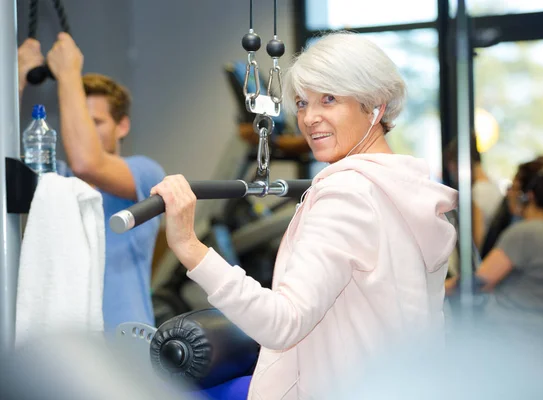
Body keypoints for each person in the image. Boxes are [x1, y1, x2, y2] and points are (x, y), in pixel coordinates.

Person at [150, 32, 458, 399]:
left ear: (375, 104)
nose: (310, 118)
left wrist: (188, 245)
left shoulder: (346, 194)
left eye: (329, 99)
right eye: (301, 103)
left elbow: (282, 323)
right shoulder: (407, 190)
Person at [18, 33, 165, 333]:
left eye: (94, 122)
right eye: (77, 119)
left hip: (127, 342)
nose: (81, 129)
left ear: (122, 125)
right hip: (67, 345)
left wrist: (69, 72)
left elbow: (88, 163)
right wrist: (15, 79)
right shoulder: (55, 182)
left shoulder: (145, 174)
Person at [446, 160, 543, 368]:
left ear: (529, 195)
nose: (508, 193)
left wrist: (438, 288)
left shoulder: (526, 232)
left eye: (514, 187)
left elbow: (480, 282)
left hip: (531, 345)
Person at [444, 134, 503, 250]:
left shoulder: (476, 193)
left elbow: (477, 241)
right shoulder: (494, 187)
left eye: (452, 167)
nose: (452, 173)